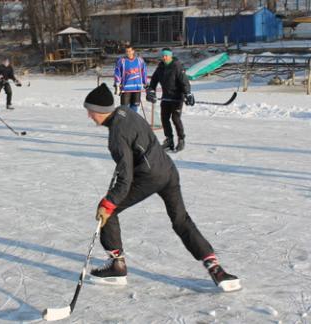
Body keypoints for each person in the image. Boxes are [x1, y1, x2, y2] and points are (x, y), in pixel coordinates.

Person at [82, 83, 240, 292]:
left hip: (149, 177)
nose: (89, 116)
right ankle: (215, 268)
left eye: (91, 112)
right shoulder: (125, 112)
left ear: (101, 111)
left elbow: (125, 177)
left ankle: (117, 266)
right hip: (168, 170)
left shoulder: (116, 136)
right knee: (181, 220)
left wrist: (109, 202)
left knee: (108, 212)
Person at [146, 48, 195, 152]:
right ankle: (169, 140)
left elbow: (184, 82)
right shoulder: (160, 67)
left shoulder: (177, 66)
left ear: (171, 56)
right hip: (166, 97)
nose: (164, 57)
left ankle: (181, 139)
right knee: (164, 119)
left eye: (166, 55)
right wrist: (151, 91)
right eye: (163, 55)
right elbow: (154, 80)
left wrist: (188, 94)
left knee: (175, 119)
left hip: (177, 97)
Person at [113, 45, 147, 113]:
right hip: (126, 89)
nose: (128, 53)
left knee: (134, 110)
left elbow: (144, 72)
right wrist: (117, 83)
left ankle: (133, 123)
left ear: (133, 51)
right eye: (127, 51)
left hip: (137, 88)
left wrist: (145, 82)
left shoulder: (140, 60)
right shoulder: (121, 61)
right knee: (124, 110)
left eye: (130, 51)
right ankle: (125, 123)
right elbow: (117, 72)